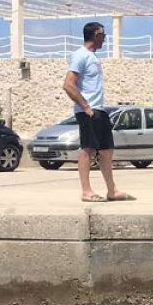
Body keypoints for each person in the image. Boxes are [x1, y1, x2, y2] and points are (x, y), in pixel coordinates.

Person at [62, 22, 135, 203]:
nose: (104, 38)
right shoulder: (80, 55)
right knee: (88, 148)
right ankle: (86, 191)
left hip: (99, 110)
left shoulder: (93, 57)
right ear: (95, 35)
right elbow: (68, 85)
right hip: (88, 111)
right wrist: (86, 107)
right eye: (103, 34)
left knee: (106, 150)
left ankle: (112, 190)